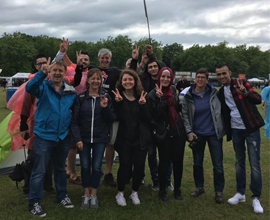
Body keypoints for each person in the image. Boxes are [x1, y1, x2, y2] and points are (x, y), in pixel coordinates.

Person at [25, 59, 77, 217]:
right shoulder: (42, 87)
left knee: (60, 168)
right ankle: (34, 201)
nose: (57, 73)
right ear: (50, 71)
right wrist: (41, 73)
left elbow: (74, 111)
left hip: (62, 136)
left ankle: (62, 196)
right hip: (44, 135)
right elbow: (29, 87)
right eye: (54, 70)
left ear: (64, 73)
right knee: (39, 170)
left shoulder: (70, 91)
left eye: (60, 70)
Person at [216, 64, 264, 214]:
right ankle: (240, 193)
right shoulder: (221, 92)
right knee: (239, 161)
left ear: (230, 72)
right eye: (219, 74)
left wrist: (246, 93)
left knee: (254, 163)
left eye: (224, 73)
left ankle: (255, 197)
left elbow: (258, 99)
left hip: (251, 128)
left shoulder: (241, 83)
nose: (222, 77)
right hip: (236, 130)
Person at [6, 54, 55, 198]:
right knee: (33, 157)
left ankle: (47, 185)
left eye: (44, 63)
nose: (42, 65)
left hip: (51, 126)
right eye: (39, 64)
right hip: (36, 125)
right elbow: (25, 106)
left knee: (50, 158)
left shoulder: (54, 80)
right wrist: (23, 125)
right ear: (35, 66)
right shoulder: (33, 83)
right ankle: (28, 187)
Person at [74, 48, 122, 187]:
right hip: (90, 109)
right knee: (91, 145)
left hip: (108, 110)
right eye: (102, 58)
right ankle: (90, 177)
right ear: (98, 58)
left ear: (110, 59)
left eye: (107, 58)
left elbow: (130, 75)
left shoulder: (115, 71)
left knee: (110, 143)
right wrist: (77, 65)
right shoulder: (92, 69)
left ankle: (108, 173)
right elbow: (77, 78)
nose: (105, 60)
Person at [71, 68, 116, 209]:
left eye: (98, 79)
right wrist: (77, 138)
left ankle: (94, 195)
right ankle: (86, 194)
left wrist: (104, 107)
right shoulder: (81, 97)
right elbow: (74, 121)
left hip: (100, 138)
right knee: (85, 166)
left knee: (96, 167)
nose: (96, 81)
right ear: (88, 80)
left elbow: (112, 118)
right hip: (83, 138)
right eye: (93, 78)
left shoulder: (105, 96)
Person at [182, 68, 225, 203]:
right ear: (195, 79)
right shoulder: (188, 95)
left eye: (203, 77)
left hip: (214, 134)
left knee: (217, 165)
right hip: (197, 134)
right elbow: (185, 116)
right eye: (198, 77)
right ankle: (199, 187)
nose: (200, 79)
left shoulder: (215, 93)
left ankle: (218, 191)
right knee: (197, 163)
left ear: (207, 80)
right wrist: (189, 132)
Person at [112, 69, 152, 206]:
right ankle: (120, 192)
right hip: (124, 139)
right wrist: (117, 104)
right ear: (121, 82)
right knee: (125, 166)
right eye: (125, 80)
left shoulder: (141, 96)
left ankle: (134, 192)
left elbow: (147, 119)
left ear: (135, 81)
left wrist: (143, 105)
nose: (128, 82)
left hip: (140, 138)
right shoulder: (118, 97)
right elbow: (115, 118)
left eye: (130, 79)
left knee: (139, 166)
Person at [147, 67, 186, 202]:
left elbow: (177, 108)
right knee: (164, 162)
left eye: (168, 77)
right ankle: (162, 190)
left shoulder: (173, 90)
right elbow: (153, 116)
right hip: (164, 132)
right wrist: (158, 100)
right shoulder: (152, 94)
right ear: (159, 77)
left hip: (177, 130)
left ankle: (177, 189)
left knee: (178, 161)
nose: (165, 79)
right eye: (163, 76)